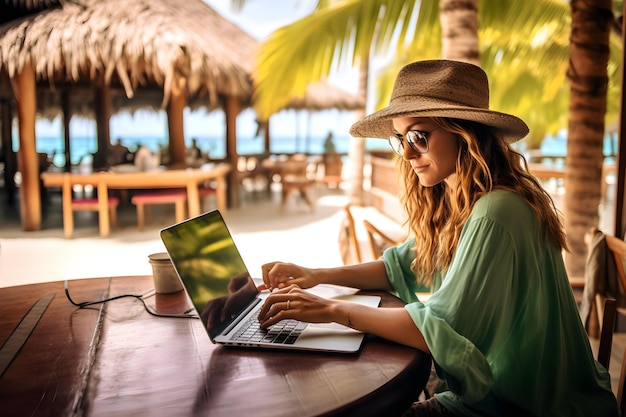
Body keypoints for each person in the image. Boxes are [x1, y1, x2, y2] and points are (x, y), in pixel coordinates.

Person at [257, 60, 618, 416]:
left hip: (523, 407)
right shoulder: (468, 200)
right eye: (401, 139)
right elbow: (403, 265)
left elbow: (439, 329)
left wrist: (331, 310)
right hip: (507, 393)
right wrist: (317, 275)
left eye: (419, 136)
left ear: (464, 132)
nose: (409, 153)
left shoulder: (496, 211)